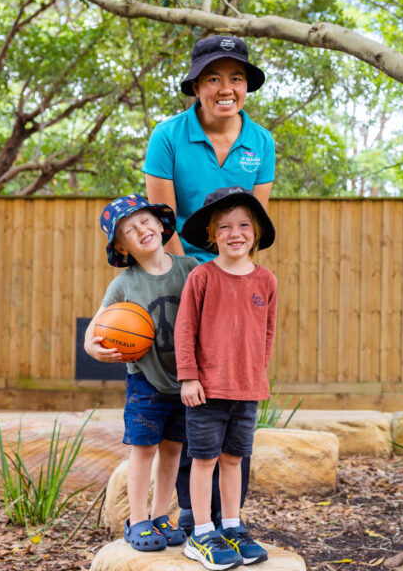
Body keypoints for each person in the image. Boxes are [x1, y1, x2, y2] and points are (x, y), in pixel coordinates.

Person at [144, 34, 273, 537]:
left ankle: (228, 519)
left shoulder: (260, 142)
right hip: (182, 274)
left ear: (246, 86)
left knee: (234, 395)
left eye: (236, 78)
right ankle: (189, 517)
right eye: (214, 78)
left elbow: (252, 223)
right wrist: (196, 277)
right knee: (189, 394)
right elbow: (162, 221)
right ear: (196, 85)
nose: (226, 88)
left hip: (232, 277)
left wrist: (230, 277)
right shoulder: (168, 135)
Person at [84, 194, 198, 552]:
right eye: (130, 231)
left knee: (173, 451)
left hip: (183, 381)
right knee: (143, 451)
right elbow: (95, 328)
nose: (142, 230)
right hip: (145, 381)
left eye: (146, 221)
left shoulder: (190, 268)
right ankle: (138, 521)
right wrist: (93, 349)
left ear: (161, 224)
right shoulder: (124, 285)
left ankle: (161, 516)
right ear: (122, 246)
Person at [175, 186, 277, 569]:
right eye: (225, 227)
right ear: (211, 235)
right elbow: (184, 330)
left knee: (234, 459)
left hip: (246, 390)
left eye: (244, 226)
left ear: (256, 233)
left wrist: (257, 374)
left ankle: (231, 525)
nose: (235, 233)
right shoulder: (202, 277)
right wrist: (189, 377)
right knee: (204, 461)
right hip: (206, 390)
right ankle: (201, 532)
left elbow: (267, 332)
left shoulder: (266, 280)